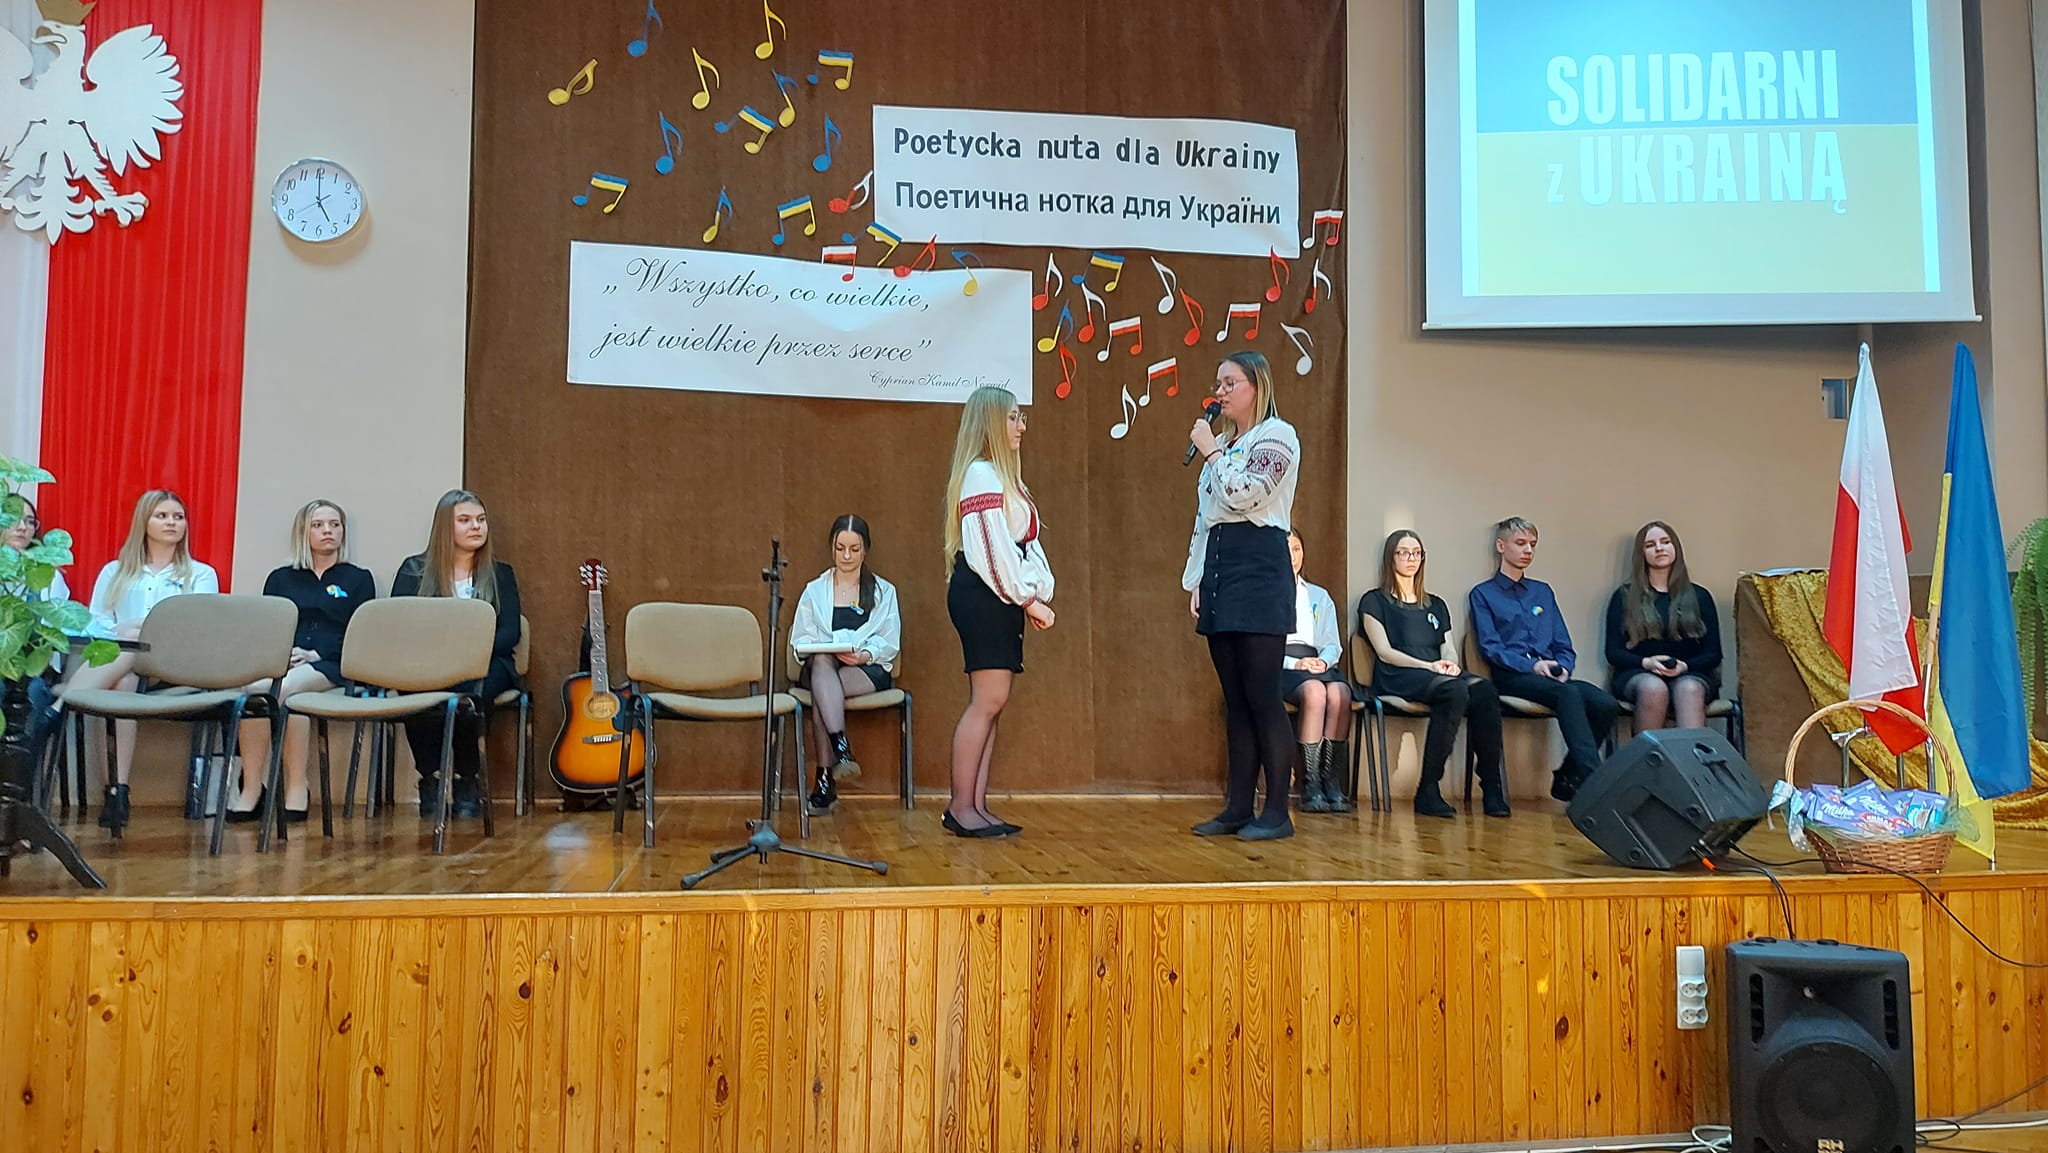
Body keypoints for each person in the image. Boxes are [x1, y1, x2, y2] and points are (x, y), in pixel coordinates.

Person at [1185, 350, 1301, 840]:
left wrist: (1212, 453)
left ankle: (1276, 812)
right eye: (1218, 384)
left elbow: (1247, 495)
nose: (1220, 392)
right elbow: (1205, 517)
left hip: (1259, 567)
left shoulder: (1278, 435)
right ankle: (1237, 806)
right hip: (1221, 565)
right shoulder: (1225, 444)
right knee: (1234, 698)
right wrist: (1195, 579)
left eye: (1230, 383)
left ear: (1257, 385)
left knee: (1262, 694)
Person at [66, 490, 220, 829]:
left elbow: (198, 626)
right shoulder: (115, 571)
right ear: (144, 522)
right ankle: (118, 791)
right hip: (125, 664)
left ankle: (64, 704)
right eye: (162, 516)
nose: (172, 523)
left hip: (176, 667)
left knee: (135, 644)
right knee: (123, 679)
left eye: (178, 517)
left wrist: (146, 628)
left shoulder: (201, 574)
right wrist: (120, 629)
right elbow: (95, 623)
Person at [943, 386, 1054, 838]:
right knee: (986, 701)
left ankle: (976, 804)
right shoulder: (980, 475)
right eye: (1012, 417)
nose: (1021, 426)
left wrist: (1036, 590)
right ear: (990, 423)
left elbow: (1026, 547)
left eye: (1021, 417)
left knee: (994, 703)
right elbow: (991, 555)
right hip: (984, 595)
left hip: (1001, 596)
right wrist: (1027, 598)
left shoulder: (1005, 479)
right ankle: (960, 808)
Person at [226, 501, 376, 823]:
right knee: (253, 690)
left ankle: (296, 785)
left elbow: (361, 632)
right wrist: (286, 652)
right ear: (303, 532)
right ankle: (252, 787)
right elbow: (270, 626)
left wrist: (318, 653)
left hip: (333, 664)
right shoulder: (281, 579)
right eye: (318, 525)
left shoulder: (359, 579)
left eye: (335, 525)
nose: (327, 531)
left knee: (290, 690)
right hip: (284, 660)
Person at [1358, 530, 1509, 817]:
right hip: (1398, 674)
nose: (1411, 559)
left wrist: (1450, 663)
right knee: (1454, 690)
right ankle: (1429, 788)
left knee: (1484, 691)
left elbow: (1447, 648)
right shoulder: (1374, 601)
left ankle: (1491, 786)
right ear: (1391, 558)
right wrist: (1429, 666)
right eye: (1404, 552)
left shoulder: (1436, 604)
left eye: (1417, 553)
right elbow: (1384, 652)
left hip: (1436, 673)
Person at [1467, 516, 1618, 802]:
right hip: (1512, 676)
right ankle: (1596, 783)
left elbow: (1563, 644)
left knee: (1605, 704)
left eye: (1533, 544)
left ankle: (1568, 776)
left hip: (1551, 676)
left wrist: (1564, 667)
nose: (1528, 550)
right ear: (1501, 546)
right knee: (1568, 694)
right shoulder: (1483, 594)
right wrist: (1532, 666)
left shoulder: (1542, 591)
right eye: (1520, 543)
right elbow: (1491, 647)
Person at [391, 489, 521, 819]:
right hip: (428, 663)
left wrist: (468, 655)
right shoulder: (414, 570)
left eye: (481, 520)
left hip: (487, 662)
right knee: (414, 687)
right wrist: (441, 658)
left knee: (470, 692)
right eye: (464, 520)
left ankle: (467, 778)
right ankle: (431, 778)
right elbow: (400, 625)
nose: (476, 526)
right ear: (444, 527)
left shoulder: (501, 573)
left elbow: (510, 632)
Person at [790, 513, 902, 816]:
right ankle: (840, 748)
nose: (847, 556)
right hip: (822, 667)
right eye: (841, 548)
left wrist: (864, 654)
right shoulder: (815, 590)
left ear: (865, 550)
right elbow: (801, 638)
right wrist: (830, 647)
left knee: (822, 694)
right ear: (832, 548)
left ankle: (825, 780)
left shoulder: (883, 592)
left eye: (854, 549)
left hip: (865, 668)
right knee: (822, 664)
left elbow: (890, 640)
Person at [1605, 520, 1723, 732]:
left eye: (1665, 542)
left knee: (1688, 689)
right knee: (1654, 688)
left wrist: (1684, 666)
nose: (1659, 548)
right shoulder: (1624, 596)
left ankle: (1691, 754)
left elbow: (1713, 654)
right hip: (1637, 673)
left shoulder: (1700, 596)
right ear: (1642, 554)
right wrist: (1647, 663)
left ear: (1675, 547)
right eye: (1650, 545)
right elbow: (1613, 652)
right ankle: (1648, 754)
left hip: (1691, 673)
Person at [1280, 528, 1352, 813]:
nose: (1292, 557)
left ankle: (1330, 780)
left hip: (1317, 664)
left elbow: (1332, 643)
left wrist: (1324, 661)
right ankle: (1310, 783)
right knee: (1315, 693)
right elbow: (1262, 647)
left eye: (1297, 549)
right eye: (1286, 550)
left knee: (1340, 693)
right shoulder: (1266, 594)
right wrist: (1295, 664)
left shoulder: (1319, 596)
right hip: (1284, 666)